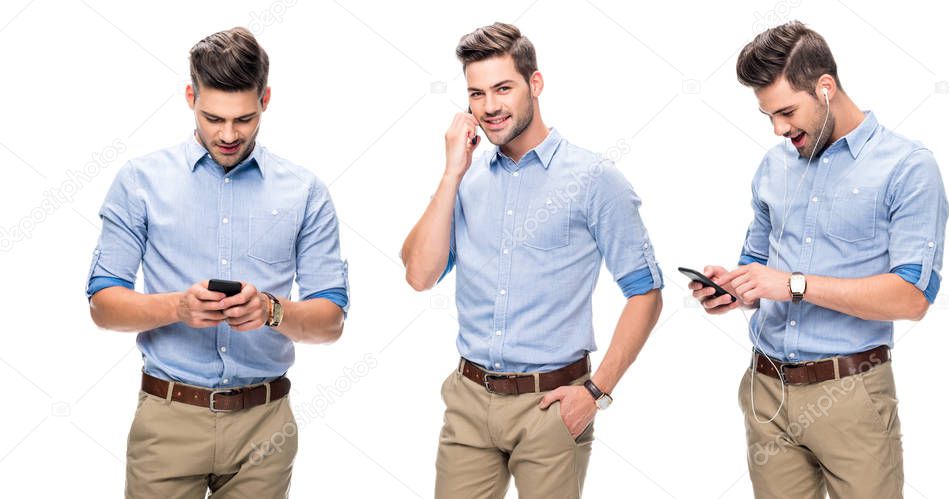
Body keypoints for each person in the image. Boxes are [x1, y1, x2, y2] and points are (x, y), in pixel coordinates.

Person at [401, 22, 663, 499]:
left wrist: (595, 393)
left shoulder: (594, 179)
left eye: (503, 88)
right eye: (477, 94)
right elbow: (419, 275)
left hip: (553, 405)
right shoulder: (467, 176)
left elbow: (645, 294)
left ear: (535, 84)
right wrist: (450, 173)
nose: (491, 107)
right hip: (468, 402)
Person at [86, 27, 349, 498]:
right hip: (168, 421)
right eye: (213, 118)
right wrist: (177, 308)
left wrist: (272, 311)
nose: (228, 135)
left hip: (265, 428)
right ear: (190, 96)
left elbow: (330, 323)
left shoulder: (305, 191)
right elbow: (104, 306)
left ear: (265, 99)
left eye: (244, 119)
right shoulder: (140, 181)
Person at [691, 21, 948, 499]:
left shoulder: (908, 167)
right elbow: (759, 268)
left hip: (851, 395)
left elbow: (912, 298)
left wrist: (792, 284)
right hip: (766, 391)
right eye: (768, 115)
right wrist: (733, 288)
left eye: (787, 111)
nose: (779, 128)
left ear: (825, 88)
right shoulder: (775, 164)